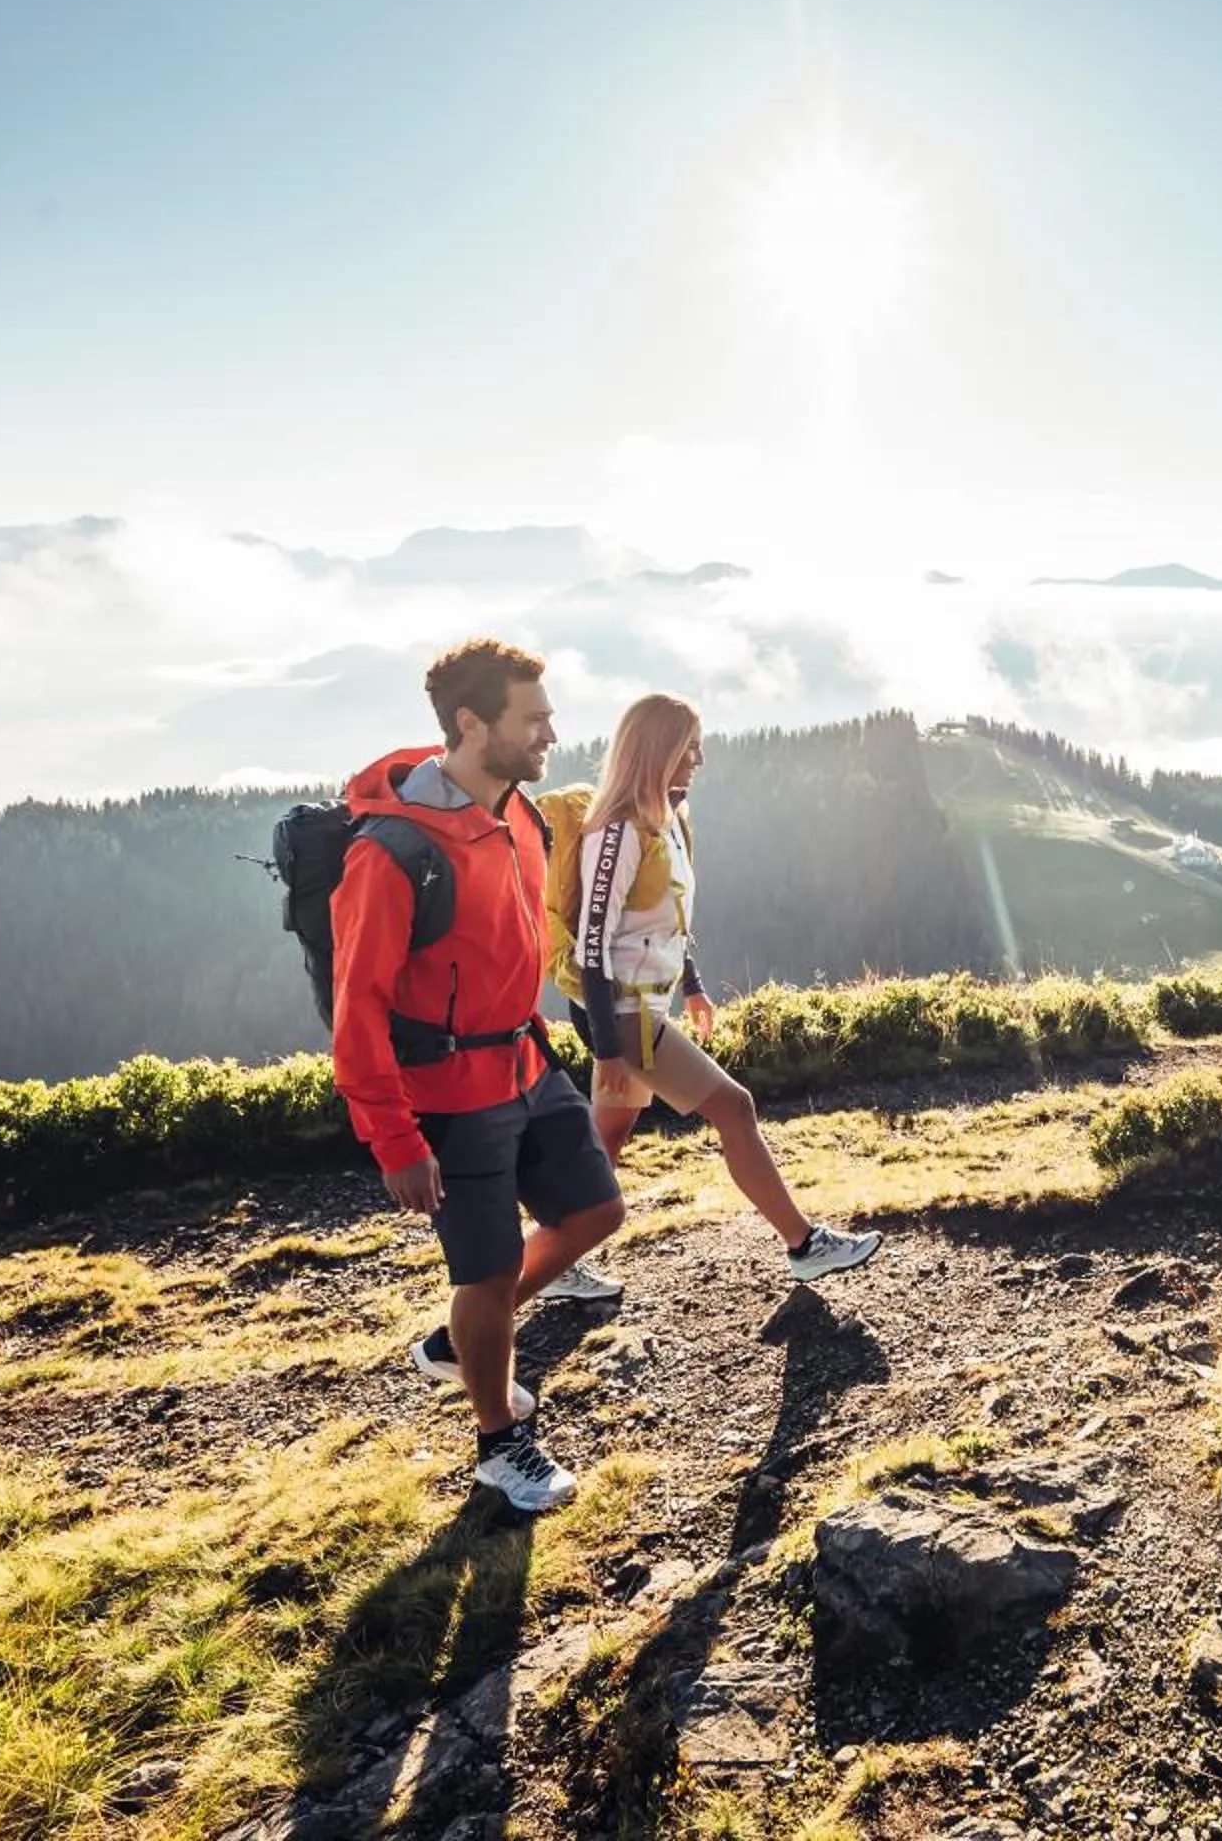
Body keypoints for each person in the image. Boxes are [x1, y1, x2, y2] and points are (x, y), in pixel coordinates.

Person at [331, 638, 621, 1514]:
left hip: (527, 1063)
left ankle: (464, 1342)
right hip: (452, 1100)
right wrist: (395, 1141)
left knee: (597, 1211)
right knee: (486, 1274)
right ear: (470, 723)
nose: (549, 734)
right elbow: (357, 1015)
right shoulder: (389, 855)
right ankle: (501, 1442)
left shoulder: (518, 813)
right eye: (531, 720)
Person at [571, 692, 882, 1283]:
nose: (699, 758)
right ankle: (803, 1245)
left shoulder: (670, 819)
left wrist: (693, 986)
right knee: (734, 1108)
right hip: (624, 1012)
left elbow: (669, 917)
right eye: (689, 746)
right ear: (657, 749)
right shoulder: (615, 831)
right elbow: (593, 941)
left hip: (648, 1002)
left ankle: (557, 1259)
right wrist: (610, 1050)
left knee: (603, 1141)